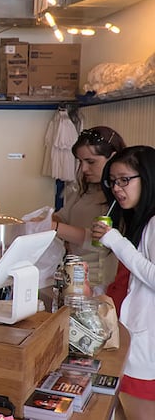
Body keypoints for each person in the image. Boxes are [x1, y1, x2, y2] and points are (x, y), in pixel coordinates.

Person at [92, 145, 155, 419]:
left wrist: (115, 241)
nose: (117, 188)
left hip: (146, 349)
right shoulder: (137, 221)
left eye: (125, 180)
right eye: (113, 182)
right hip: (129, 338)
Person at [53, 126, 126, 299]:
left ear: (113, 158)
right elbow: (63, 216)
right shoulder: (84, 190)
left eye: (91, 162)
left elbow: (98, 239)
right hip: (72, 278)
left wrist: (54, 227)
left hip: (98, 284)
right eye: (80, 162)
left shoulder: (119, 197)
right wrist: (45, 221)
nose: (84, 168)